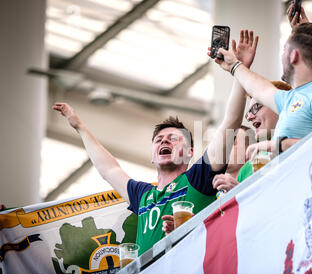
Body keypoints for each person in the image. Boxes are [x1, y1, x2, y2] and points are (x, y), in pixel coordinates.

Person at [52, 30, 258, 255]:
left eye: (173, 138)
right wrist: (79, 127)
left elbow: (230, 124)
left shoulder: (197, 178)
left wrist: (240, 70)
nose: (164, 142)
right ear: (152, 155)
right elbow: (109, 169)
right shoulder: (143, 195)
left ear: (189, 152)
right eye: (159, 140)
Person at [212, 23, 312, 161]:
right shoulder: (293, 98)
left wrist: (279, 145)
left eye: (284, 50)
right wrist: (235, 65)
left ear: (293, 56)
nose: (282, 56)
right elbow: (260, 89)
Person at [213, 81, 292, 191]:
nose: (249, 117)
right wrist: (237, 191)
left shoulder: (303, 138)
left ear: (281, 104)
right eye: (248, 112)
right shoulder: (246, 168)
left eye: (256, 107)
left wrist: (238, 190)